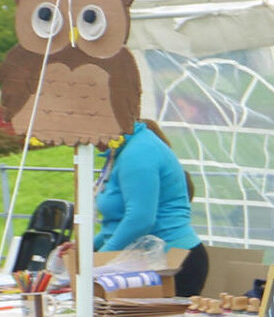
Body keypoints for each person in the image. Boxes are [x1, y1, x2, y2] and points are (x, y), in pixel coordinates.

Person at [71, 118, 209, 298]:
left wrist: (98, 262)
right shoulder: (125, 150)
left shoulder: (138, 152)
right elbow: (118, 222)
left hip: (171, 262)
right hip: (147, 261)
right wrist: (87, 247)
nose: (89, 143)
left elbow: (140, 220)